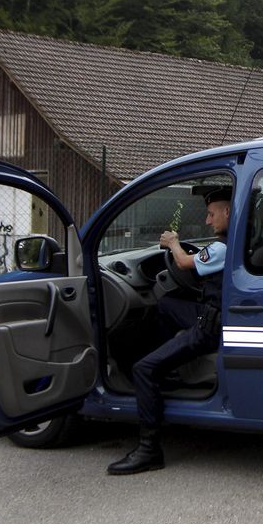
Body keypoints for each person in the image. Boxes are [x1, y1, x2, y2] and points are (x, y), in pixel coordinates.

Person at [107, 185, 231, 475]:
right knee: (166, 304)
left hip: (208, 327)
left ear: (227, 211)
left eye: (211, 214)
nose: (207, 221)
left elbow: (184, 262)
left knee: (143, 369)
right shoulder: (234, 241)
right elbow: (200, 263)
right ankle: (169, 370)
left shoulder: (224, 247)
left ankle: (149, 449)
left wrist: (174, 242)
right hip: (212, 315)